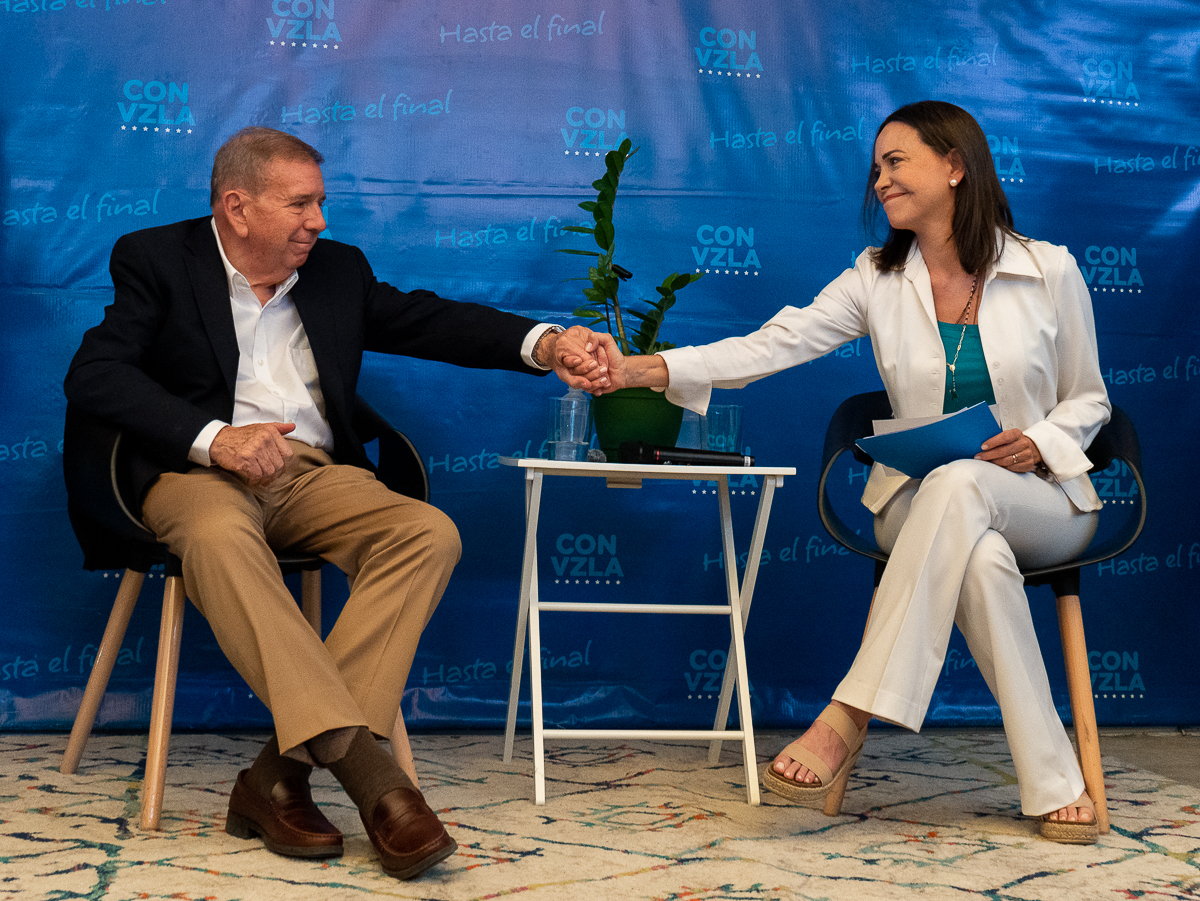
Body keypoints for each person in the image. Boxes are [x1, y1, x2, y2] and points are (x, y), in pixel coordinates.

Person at [63, 126, 604, 879]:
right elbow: (95, 375)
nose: (319, 220)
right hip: (198, 474)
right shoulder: (157, 259)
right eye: (302, 203)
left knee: (426, 532)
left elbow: (430, 319)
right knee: (220, 539)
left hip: (311, 472)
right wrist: (215, 438)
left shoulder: (335, 269)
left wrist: (544, 344)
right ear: (237, 207)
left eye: (321, 201)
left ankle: (274, 777)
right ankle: (369, 774)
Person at [564, 100, 1109, 844]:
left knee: (967, 491)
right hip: (922, 504)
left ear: (955, 166)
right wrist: (645, 368)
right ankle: (1052, 779)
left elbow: (1090, 398)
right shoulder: (876, 278)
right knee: (970, 538)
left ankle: (846, 715)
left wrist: (1043, 440)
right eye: (875, 167)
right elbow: (771, 344)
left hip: (1043, 502)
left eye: (897, 161)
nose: (880, 179)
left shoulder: (1050, 268)